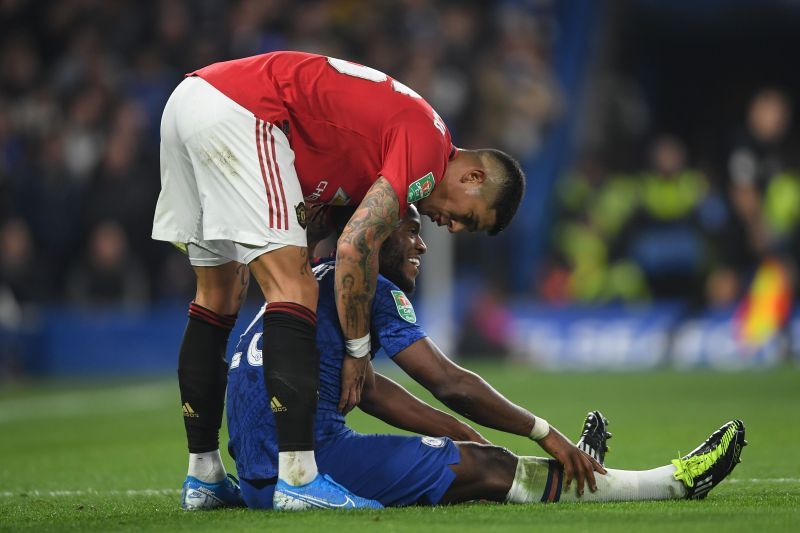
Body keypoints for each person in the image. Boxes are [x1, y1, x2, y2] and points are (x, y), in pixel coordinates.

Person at [150, 51, 526, 510]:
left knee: (217, 295)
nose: (454, 227)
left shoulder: (389, 139)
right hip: (243, 110)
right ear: (473, 176)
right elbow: (354, 247)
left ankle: (204, 475)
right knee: (295, 289)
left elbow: (319, 224)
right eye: (469, 217)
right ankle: (299, 477)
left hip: (189, 100)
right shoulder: (428, 145)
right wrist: (357, 349)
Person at [225, 205, 746, 508]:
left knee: (468, 456)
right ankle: (672, 482)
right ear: (377, 240)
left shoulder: (312, 281)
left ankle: (565, 473)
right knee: (489, 467)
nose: (422, 246)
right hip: (307, 470)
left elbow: (372, 391)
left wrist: (456, 430)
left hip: (256, 476)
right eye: (411, 231)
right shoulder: (374, 288)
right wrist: (543, 430)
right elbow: (450, 382)